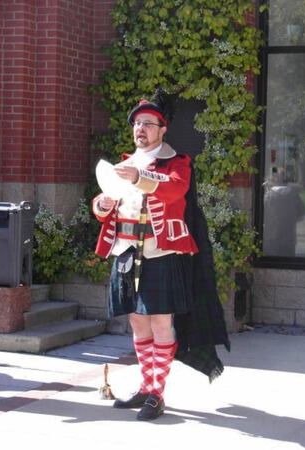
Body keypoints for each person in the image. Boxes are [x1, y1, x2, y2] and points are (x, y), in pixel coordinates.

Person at [92, 89, 229, 421]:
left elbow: (174, 189)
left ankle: (157, 393)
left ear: (162, 129)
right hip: (126, 253)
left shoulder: (177, 162)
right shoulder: (122, 164)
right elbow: (105, 205)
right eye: (137, 124)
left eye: (148, 124)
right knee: (138, 324)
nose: (141, 129)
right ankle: (146, 386)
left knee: (161, 323)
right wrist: (102, 205)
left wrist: (140, 178)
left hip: (161, 252)